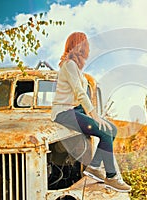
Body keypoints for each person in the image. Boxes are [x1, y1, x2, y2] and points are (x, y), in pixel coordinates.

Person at [51, 32, 131, 193]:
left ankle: (94, 167)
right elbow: (79, 92)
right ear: (79, 46)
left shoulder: (76, 67)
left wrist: (94, 115)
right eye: (86, 44)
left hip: (75, 109)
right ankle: (111, 177)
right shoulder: (68, 65)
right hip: (64, 112)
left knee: (111, 129)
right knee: (105, 133)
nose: (88, 48)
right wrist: (94, 115)